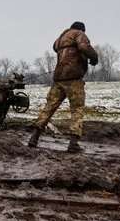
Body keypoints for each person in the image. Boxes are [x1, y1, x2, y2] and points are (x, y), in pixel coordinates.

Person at [28, 21, 98, 152]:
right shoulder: (79, 34)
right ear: (82, 29)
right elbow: (84, 47)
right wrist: (94, 57)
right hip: (73, 78)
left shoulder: (60, 39)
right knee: (77, 110)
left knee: (48, 108)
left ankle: (34, 138)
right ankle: (73, 144)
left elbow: (55, 47)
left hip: (59, 78)